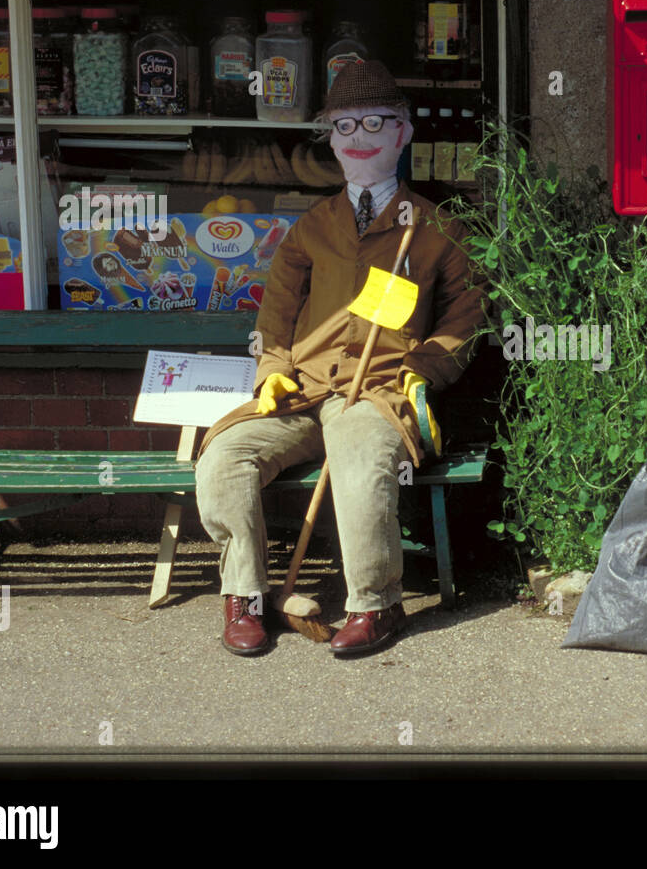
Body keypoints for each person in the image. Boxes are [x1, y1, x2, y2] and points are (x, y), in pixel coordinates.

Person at [195, 60, 488, 656]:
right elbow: (276, 313)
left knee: (357, 447)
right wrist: (273, 371)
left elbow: (468, 317)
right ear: (330, 136)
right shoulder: (312, 228)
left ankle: (375, 605)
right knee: (226, 454)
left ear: (402, 134)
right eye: (344, 125)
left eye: (375, 123)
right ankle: (244, 597)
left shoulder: (434, 229)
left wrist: (424, 368)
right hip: (304, 390)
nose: (359, 137)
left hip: (379, 390)